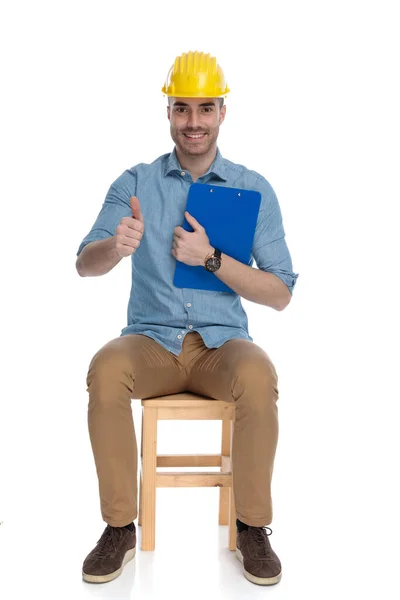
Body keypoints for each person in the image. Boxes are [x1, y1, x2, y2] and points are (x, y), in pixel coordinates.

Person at [76, 50, 299, 586]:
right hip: (151, 342)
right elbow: (85, 263)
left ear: (223, 112)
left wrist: (213, 260)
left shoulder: (253, 188)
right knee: (105, 369)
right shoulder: (134, 183)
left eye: (204, 108)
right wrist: (115, 246)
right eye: (182, 108)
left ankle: (251, 526)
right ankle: (119, 527)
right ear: (168, 113)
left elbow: (281, 292)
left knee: (258, 373)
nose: (193, 122)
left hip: (221, 346)